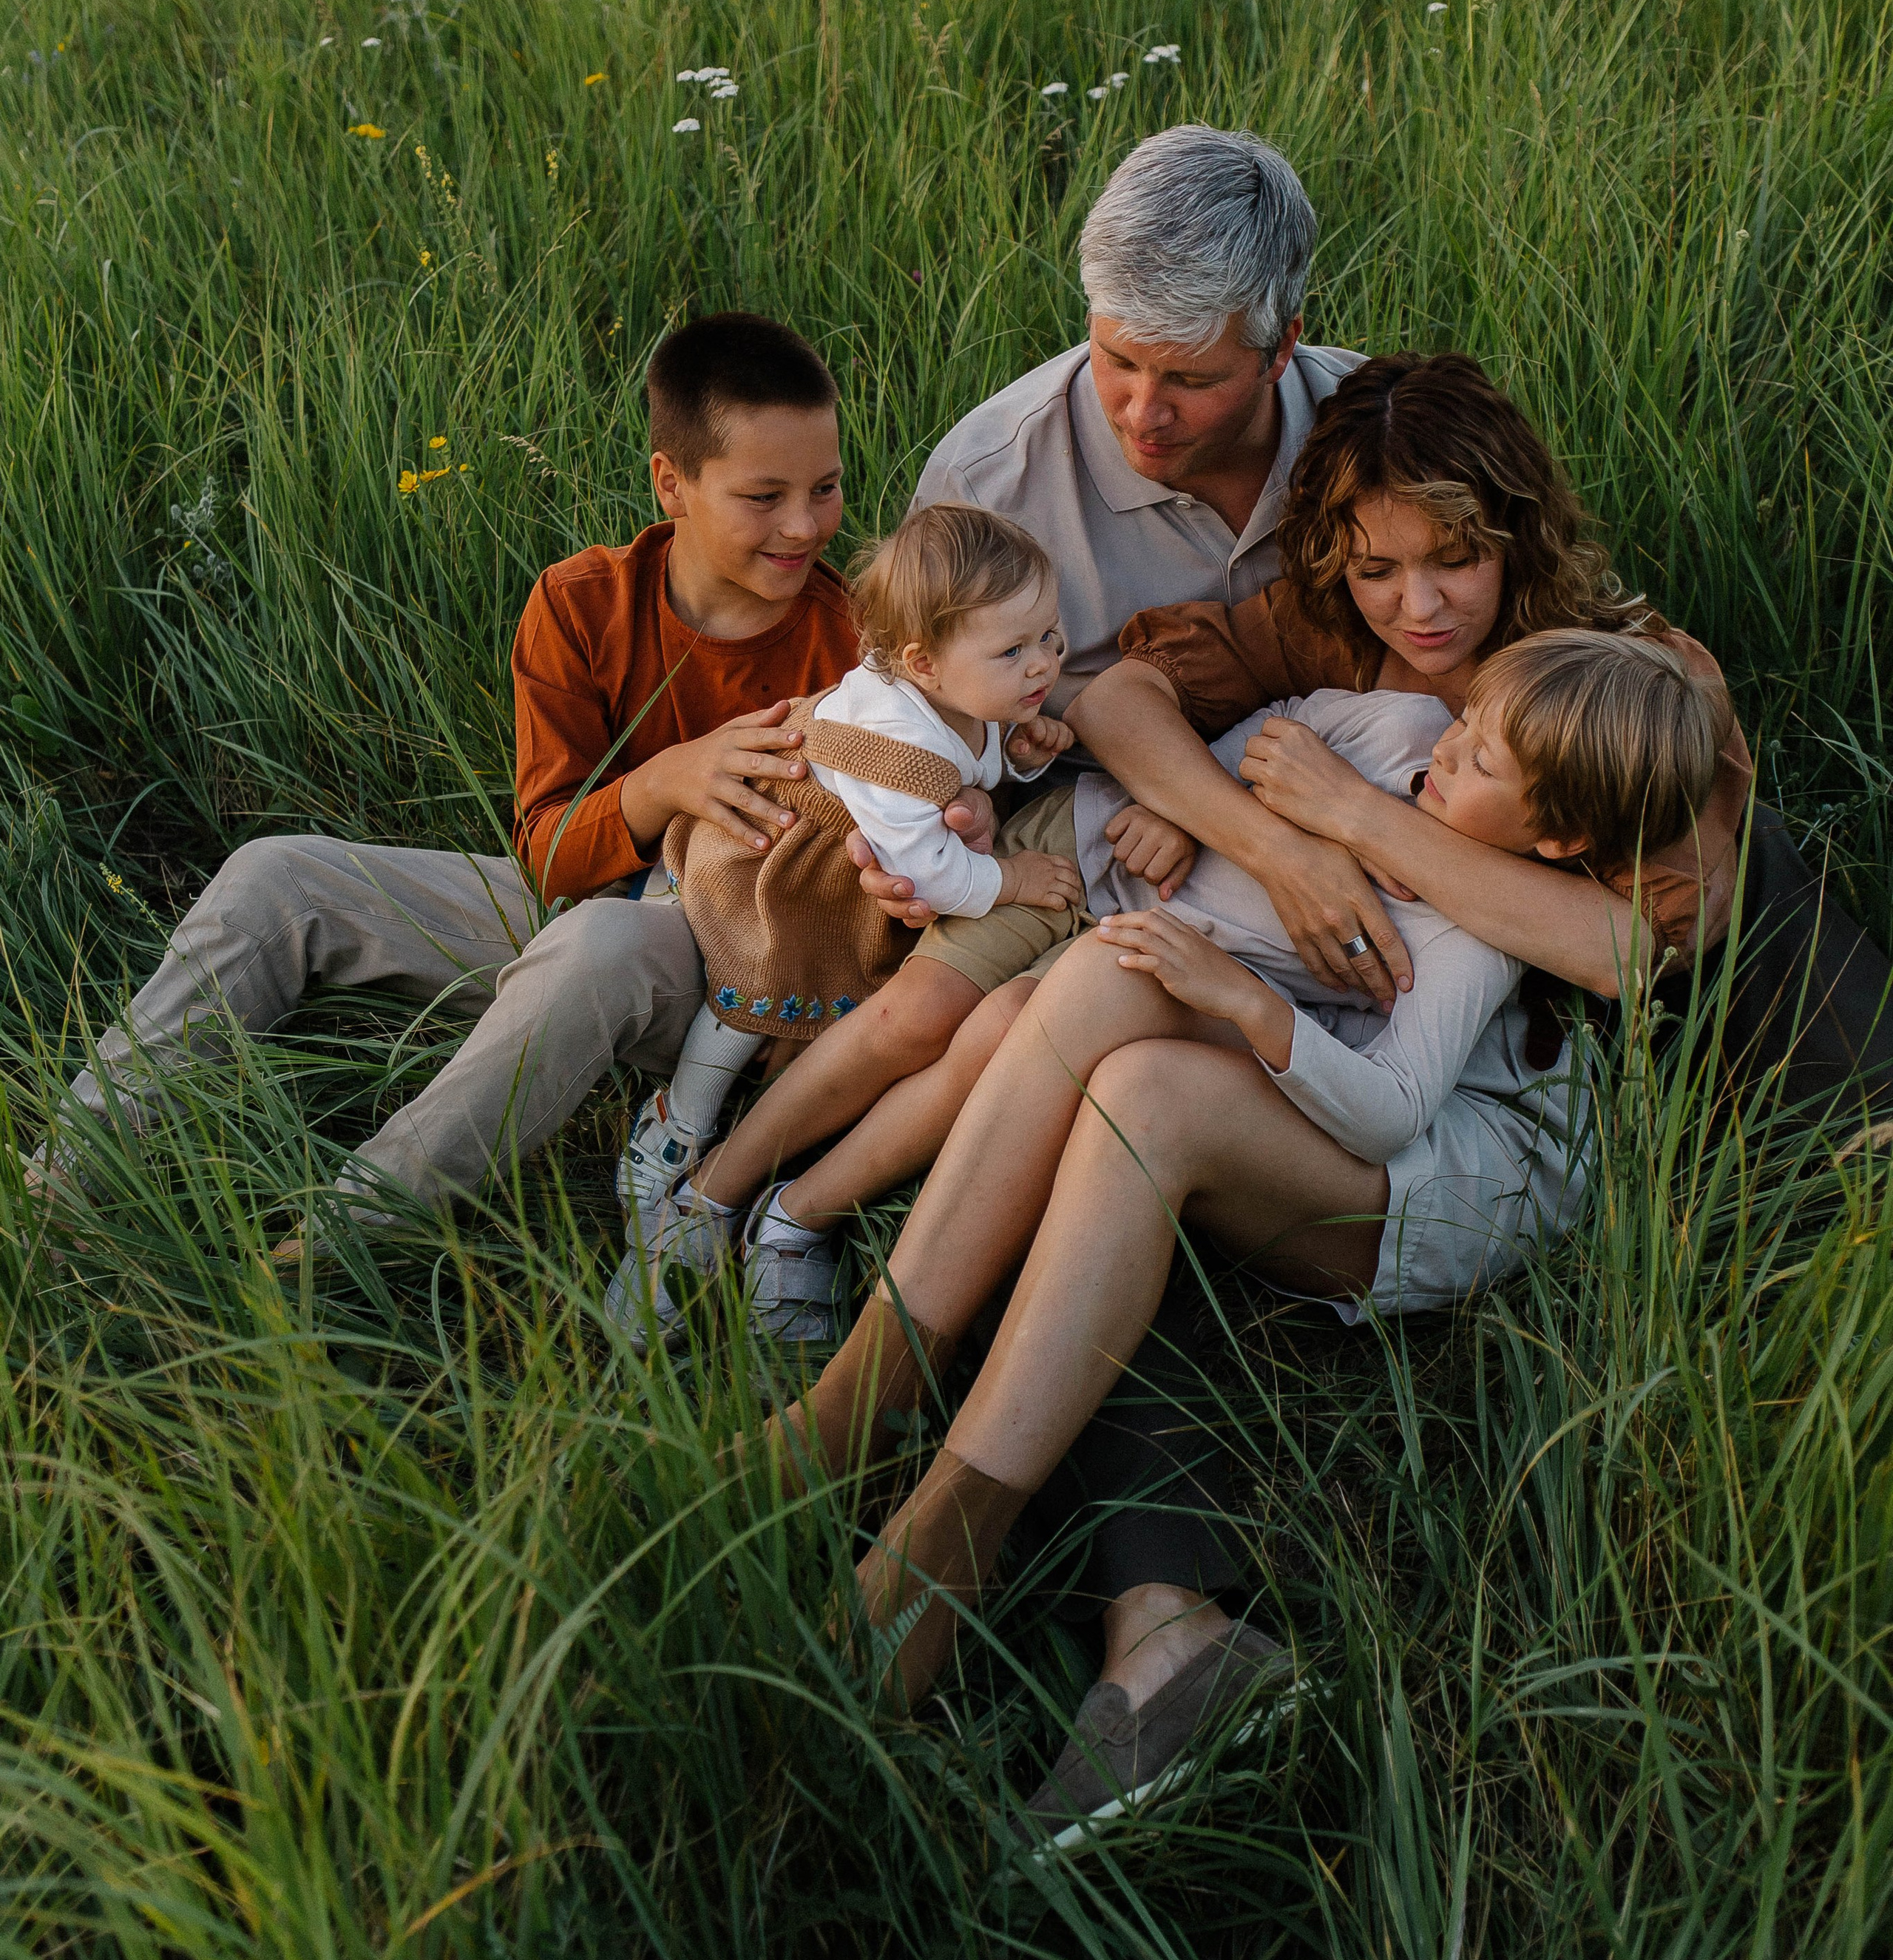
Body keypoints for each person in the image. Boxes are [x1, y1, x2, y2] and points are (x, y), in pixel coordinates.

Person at [743, 353, 1761, 1831]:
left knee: (1150, 1090)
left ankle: (943, 1529)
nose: (1414, 610)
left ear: (1515, 536)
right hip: (1324, 1057)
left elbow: (1626, 950)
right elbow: (1136, 707)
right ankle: (867, 1399)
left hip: (1445, 1135)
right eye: (1377, 571)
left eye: (1452, 562)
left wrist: (1343, 846)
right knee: (1101, 996)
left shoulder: (1609, 702)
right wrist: (1231, 827)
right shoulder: (1387, 696)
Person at [637, 125, 1364, 1296]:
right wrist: (936, 828)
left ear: (1282, 347)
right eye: (1117, 359)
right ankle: (742, 1195)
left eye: (1192, 379)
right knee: (969, 1027)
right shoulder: (994, 477)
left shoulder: (1366, 436)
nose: (1143, 411)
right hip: (1059, 846)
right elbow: (919, 725)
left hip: (1294, 832)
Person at [25, 314, 861, 1258]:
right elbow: (547, 856)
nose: (804, 525)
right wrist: (663, 782)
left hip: (739, 972)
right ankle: (67, 1177)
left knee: (595, 943)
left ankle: (349, 1235)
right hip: (584, 897)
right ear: (671, 482)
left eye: (825, 488)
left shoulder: (854, 645)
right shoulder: (583, 603)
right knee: (278, 877)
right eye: (764, 496)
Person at [614, 507, 1082, 1346]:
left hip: (838, 869)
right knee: (752, 988)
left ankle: (744, 1167)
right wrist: (1011, 877)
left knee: (807, 999)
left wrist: (1019, 754)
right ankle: (680, 1119)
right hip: (773, 864)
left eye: (1049, 634)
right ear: (921, 663)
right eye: (1015, 651)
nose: (1044, 662)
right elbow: (931, 876)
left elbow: (977, 758)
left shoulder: (966, 691)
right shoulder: (896, 748)